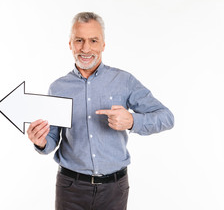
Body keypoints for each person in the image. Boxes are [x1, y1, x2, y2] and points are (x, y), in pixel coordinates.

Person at [27, 12, 174, 210]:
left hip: (114, 189)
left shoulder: (124, 81)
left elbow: (166, 117)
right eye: (79, 40)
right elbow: (52, 139)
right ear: (70, 44)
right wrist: (41, 141)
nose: (85, 48)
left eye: (93, 40)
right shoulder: (58, 88)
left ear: (103, 45)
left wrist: (131, 121)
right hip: (70, 188)